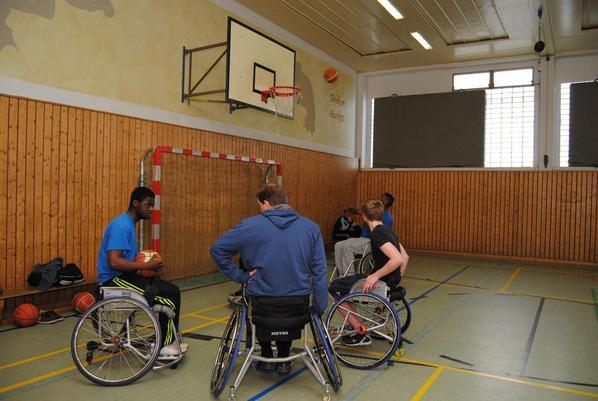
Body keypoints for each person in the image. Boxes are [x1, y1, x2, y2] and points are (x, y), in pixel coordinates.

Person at [210, 183, 327, 375]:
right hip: (297, 303)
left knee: (257, 309)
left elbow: (217, 250)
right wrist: (320, 305)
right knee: (288, 308)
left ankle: (265, 355)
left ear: (266, 203)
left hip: (262, 302)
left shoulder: (249, 225)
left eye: (259, 205)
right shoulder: (311, 228)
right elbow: (320, 271)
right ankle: (283, 357)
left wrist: (241, 276)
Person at [97, 186, 188, 358]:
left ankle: (165, 337)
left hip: (124, 277)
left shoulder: (129, 224)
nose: (151, 209)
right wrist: (147, 266)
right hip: (113, 281)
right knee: (169, 296)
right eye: (148, 205)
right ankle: (165, 346)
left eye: (153, 205)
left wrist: (150, 267)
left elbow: (129, 261)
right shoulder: (121, 226)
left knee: (168, 288)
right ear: (135, 203)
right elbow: (114, 261)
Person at [329, 198, 408, 346]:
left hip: (380, 281)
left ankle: (360, 330)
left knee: (332, 289)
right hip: (389, 281)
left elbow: (397, 259)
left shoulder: (377, 234)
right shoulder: (388, 230)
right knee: (346, 286)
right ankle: (353, 322)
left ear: (364, 216)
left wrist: (376, 276)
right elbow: (405, 257)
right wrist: (395, 280)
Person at [334, 192, 395, 276]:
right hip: (361, 239)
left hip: (371, 242)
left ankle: (349, 276)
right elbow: (359, 211)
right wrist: (350, 209)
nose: (379, 197)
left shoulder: (387, 217)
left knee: (347, 247)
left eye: (382, 197)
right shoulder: (373, 211)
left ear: (386, 202)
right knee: (338, 245)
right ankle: (342, 274)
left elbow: (383, 236)